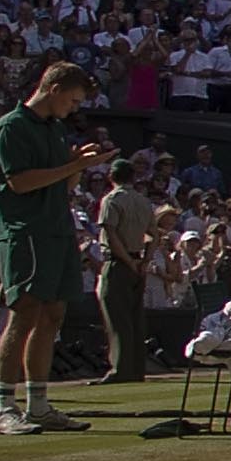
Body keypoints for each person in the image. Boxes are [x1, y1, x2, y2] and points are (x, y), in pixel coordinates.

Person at [0, 59, 100, 438]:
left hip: (57, 230)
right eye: (72, 100)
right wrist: (69, 167)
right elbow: (20, 182)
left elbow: (62, 184)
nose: (74, 108)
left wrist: (78, 164)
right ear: (55, 90)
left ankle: (38, 405)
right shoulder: (11, 127)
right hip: (27, 233)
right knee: (25, 313)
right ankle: (4, 408)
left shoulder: (55, 129)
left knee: (53, 315)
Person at [88, 150, 162, 384]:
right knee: (135, 318)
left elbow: (111, 235)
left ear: (111, 177)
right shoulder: (143, 201)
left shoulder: (111, 199)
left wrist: (129, 263)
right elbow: (155, 235)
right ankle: (136, 369)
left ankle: (120, 370)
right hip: (138, 262)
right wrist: (145, 261)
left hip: (118, 263)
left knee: (117, 319)